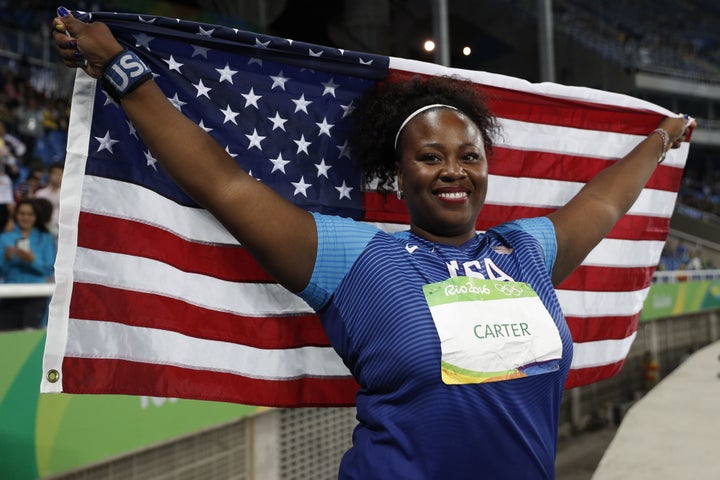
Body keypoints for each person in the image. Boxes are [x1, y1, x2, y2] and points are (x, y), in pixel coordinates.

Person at [52, 8, 694, 479]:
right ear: (399, 172)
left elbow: (604, 201)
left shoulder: (525, 250)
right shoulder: (353, 259)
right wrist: (122, 70)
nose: (453, 169)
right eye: (431, 156)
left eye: (469, 155)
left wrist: (661, 140)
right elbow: (223, 184)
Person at [0, 199, 56, 330]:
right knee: (5, 339)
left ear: (36, 216)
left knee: (30, 339)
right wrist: (6, 259)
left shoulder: (46, 237)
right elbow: (2, 272)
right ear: (16, 215)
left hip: (36, 294)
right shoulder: (4, 238)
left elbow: (49, 270)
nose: (25, 217)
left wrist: (32, 260)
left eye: (30, 214)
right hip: (10, 293)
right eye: (22, 213)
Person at [34, 161, 63, 238]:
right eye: (55, 173)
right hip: (43, 228)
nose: (57, 176)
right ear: (50, 175)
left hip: (61, 229)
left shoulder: (69, 195)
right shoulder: (40, 194)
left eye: (60, 174)